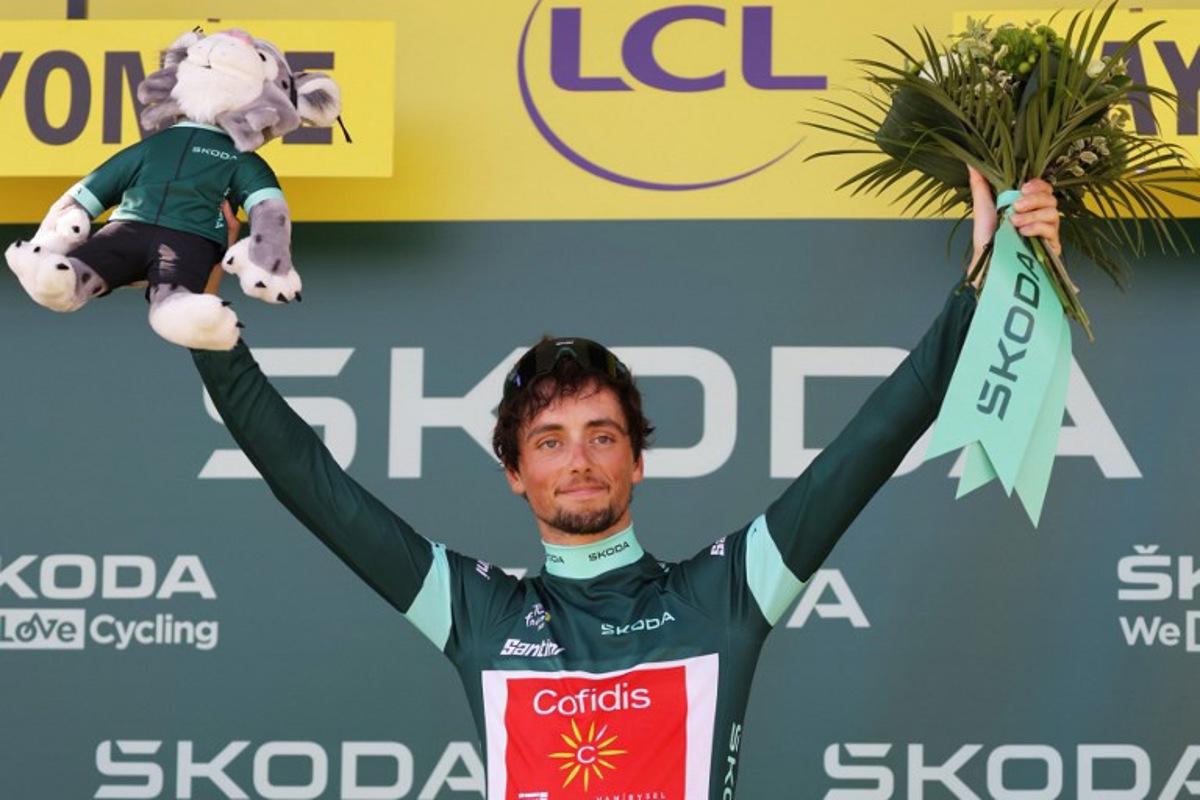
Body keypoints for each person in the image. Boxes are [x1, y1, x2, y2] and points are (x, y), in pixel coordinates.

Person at [194, 175, 1061, 799]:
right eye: (550, 440)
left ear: (636, 461)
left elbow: (870, 443)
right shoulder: (477, 613)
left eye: (601, 436)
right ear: (515, 473)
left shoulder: (727, 594)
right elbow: (312, 486)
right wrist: (210, 339)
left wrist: (982, 292)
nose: (578, 460)